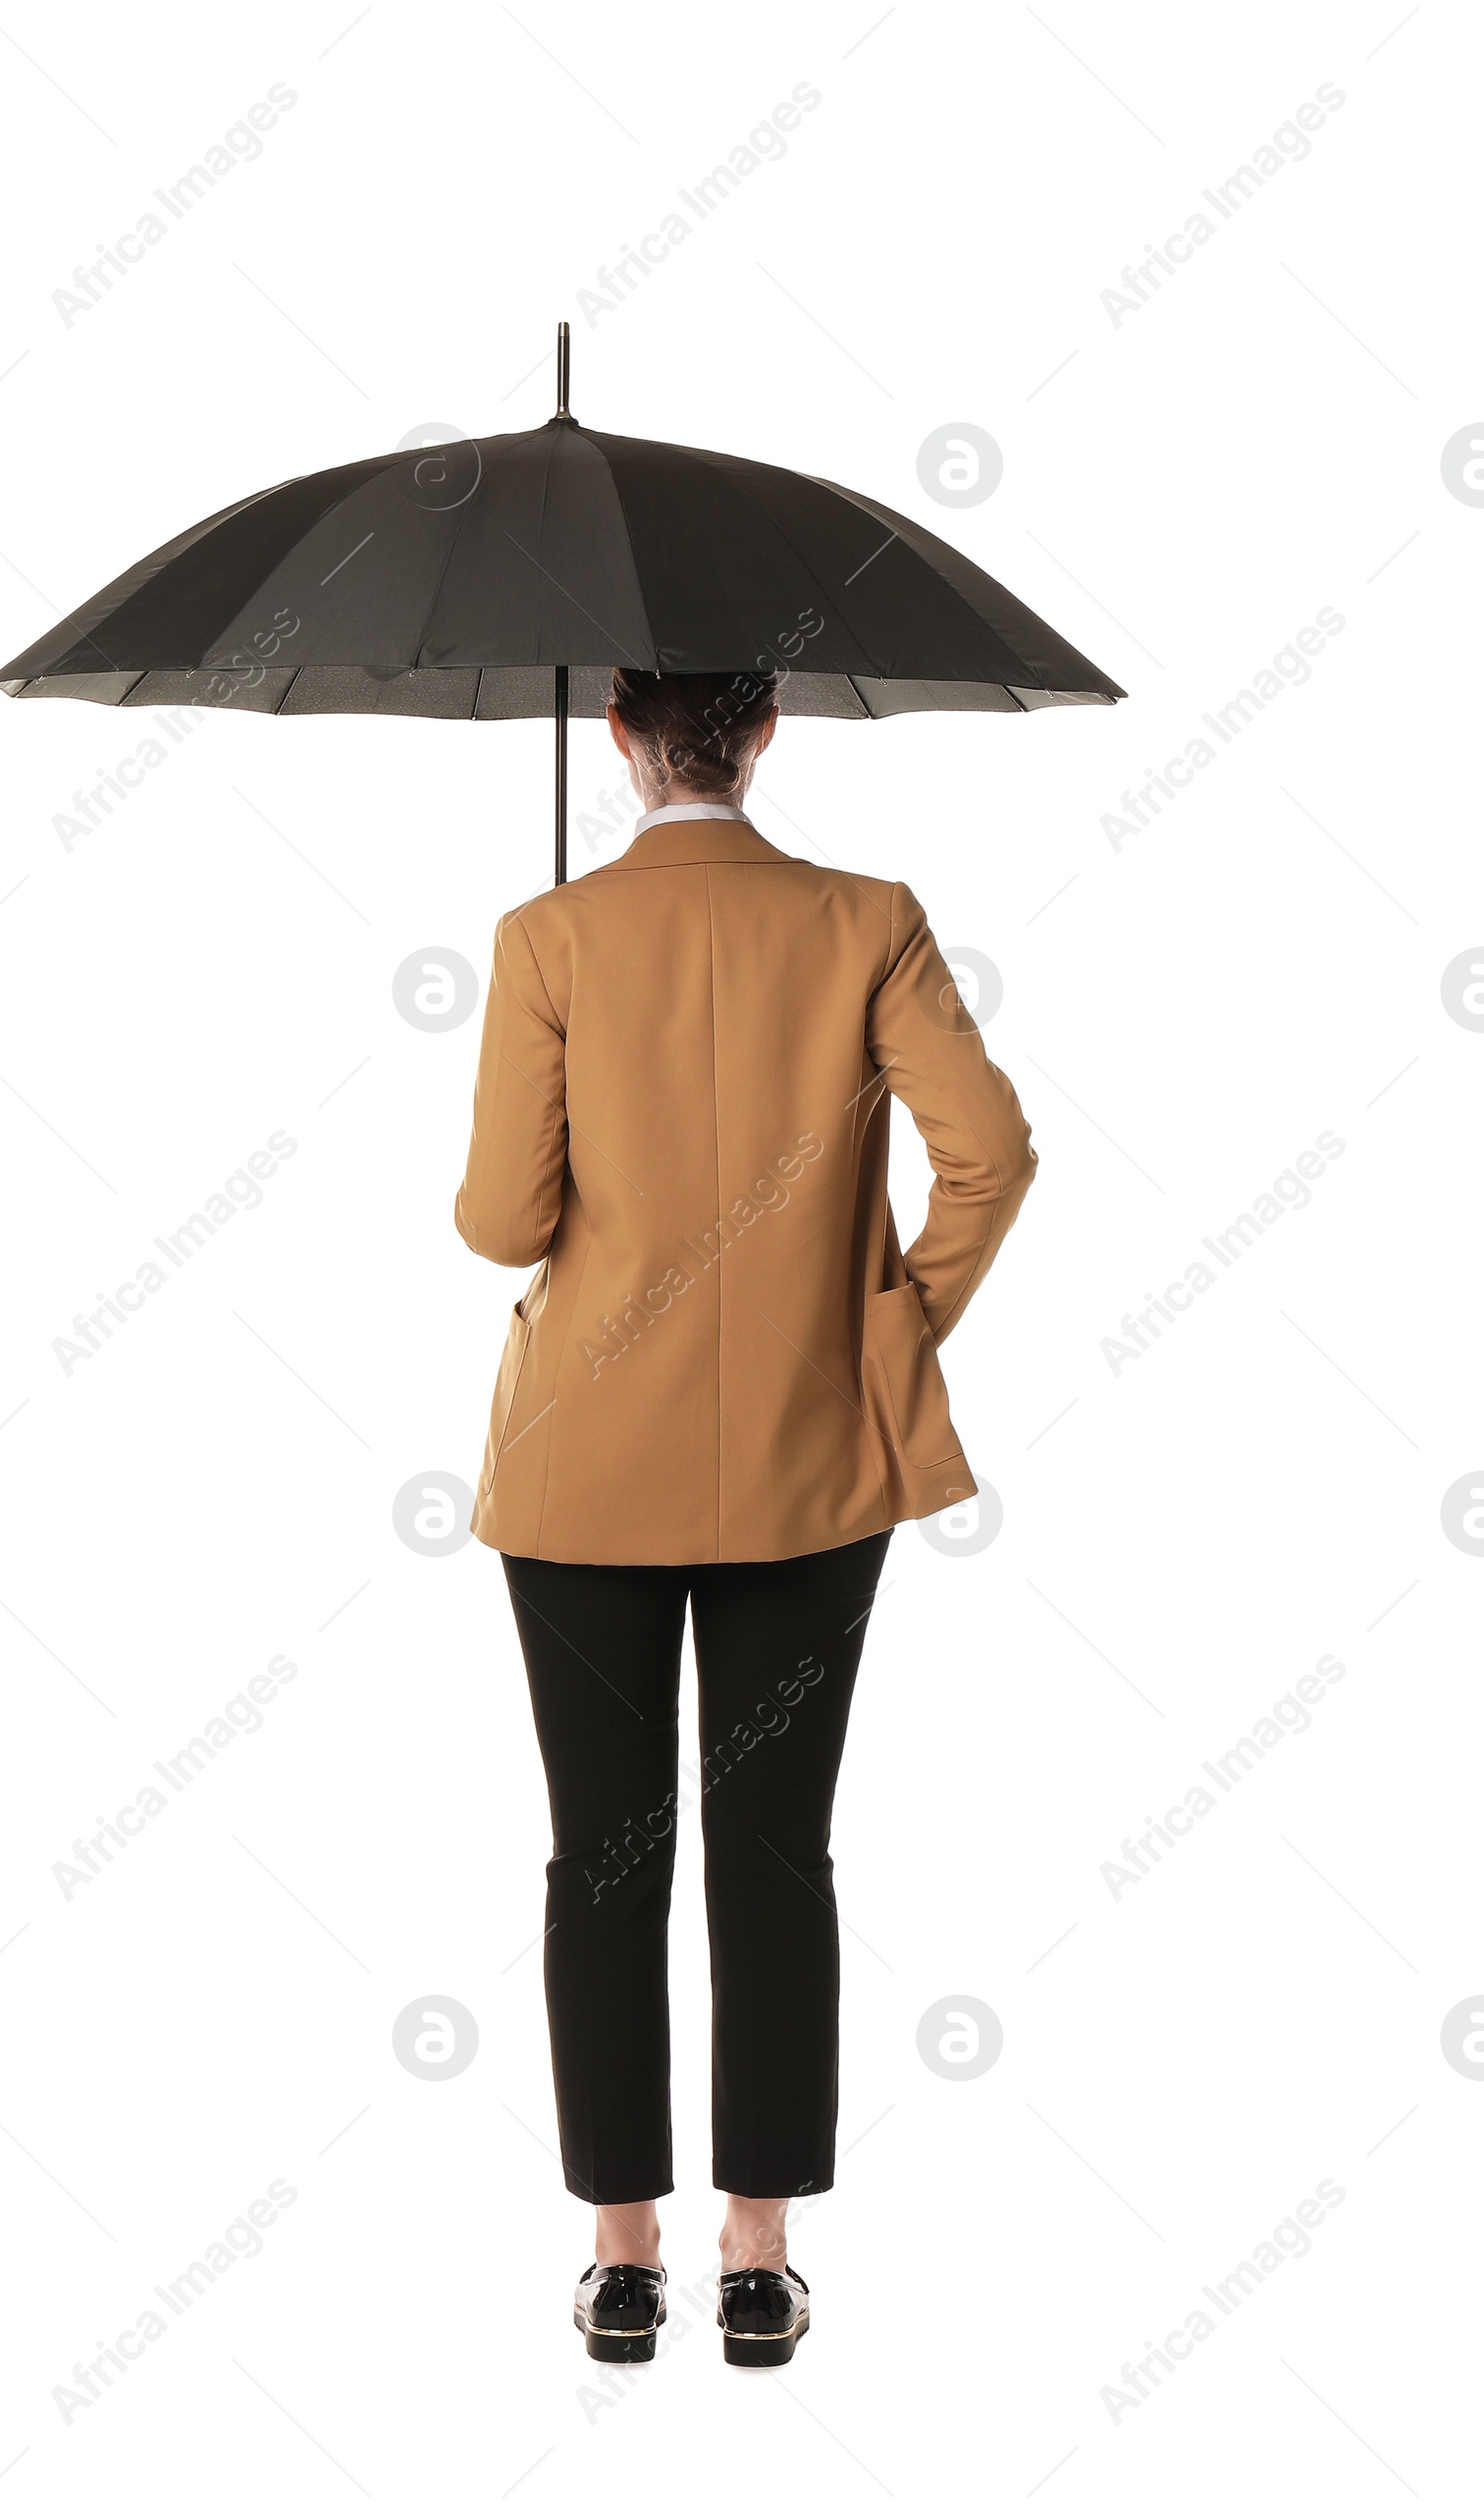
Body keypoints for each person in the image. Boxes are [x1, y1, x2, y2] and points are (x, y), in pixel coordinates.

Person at [454, 666, 1036, 2368]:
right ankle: (760, 2251)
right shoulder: (868, 918)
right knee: (776, 1853)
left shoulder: (548, 937)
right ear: (767, 727)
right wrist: (892, 1321)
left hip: (580, 1475)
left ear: (621, 736)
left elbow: (501, 1225)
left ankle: (622, 2249)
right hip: (811, 1464)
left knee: (602, 1857)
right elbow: (988, 1151)